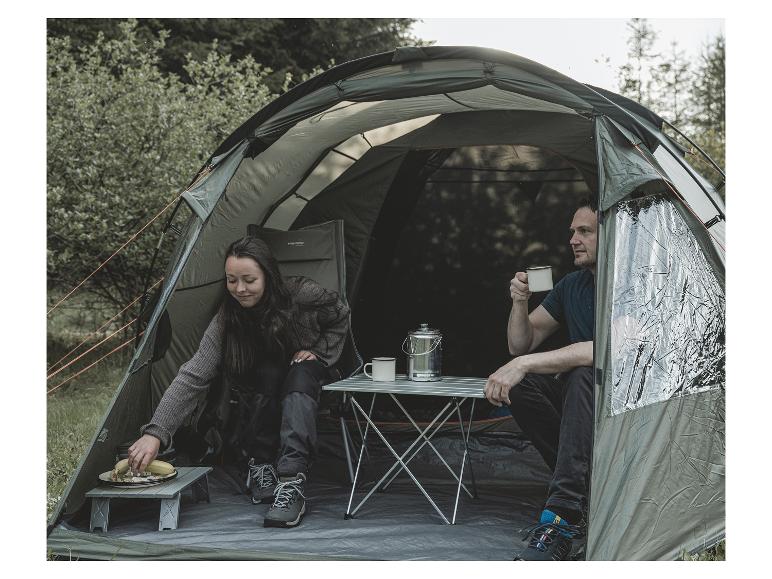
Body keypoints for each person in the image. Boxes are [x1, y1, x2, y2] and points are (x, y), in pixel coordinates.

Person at [127, 236, 350, 528]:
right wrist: (155, 433)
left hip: (305, 374)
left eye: (249, 280)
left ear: (267, 276)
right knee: (269, 372)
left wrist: (320, 352)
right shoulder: (228, 317)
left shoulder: (302, 294)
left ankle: (292, 482)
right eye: (232, 280)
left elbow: (341, 313)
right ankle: (260, 464)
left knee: (299, 374)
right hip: (263, 385)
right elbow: (194, 373)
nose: (240, 289)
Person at [484, 197, 597, 561]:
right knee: (521, 382)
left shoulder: (631, 280)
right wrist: (520, 302)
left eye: (584, 231)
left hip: (626, 406)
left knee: (581, 372)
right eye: (572, 232)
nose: (573, 240)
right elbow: (522, 343)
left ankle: (563, 517)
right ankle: (583, 491)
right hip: (579, 405)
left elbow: (606, 349)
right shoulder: (571, 284)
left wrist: (527, 363)